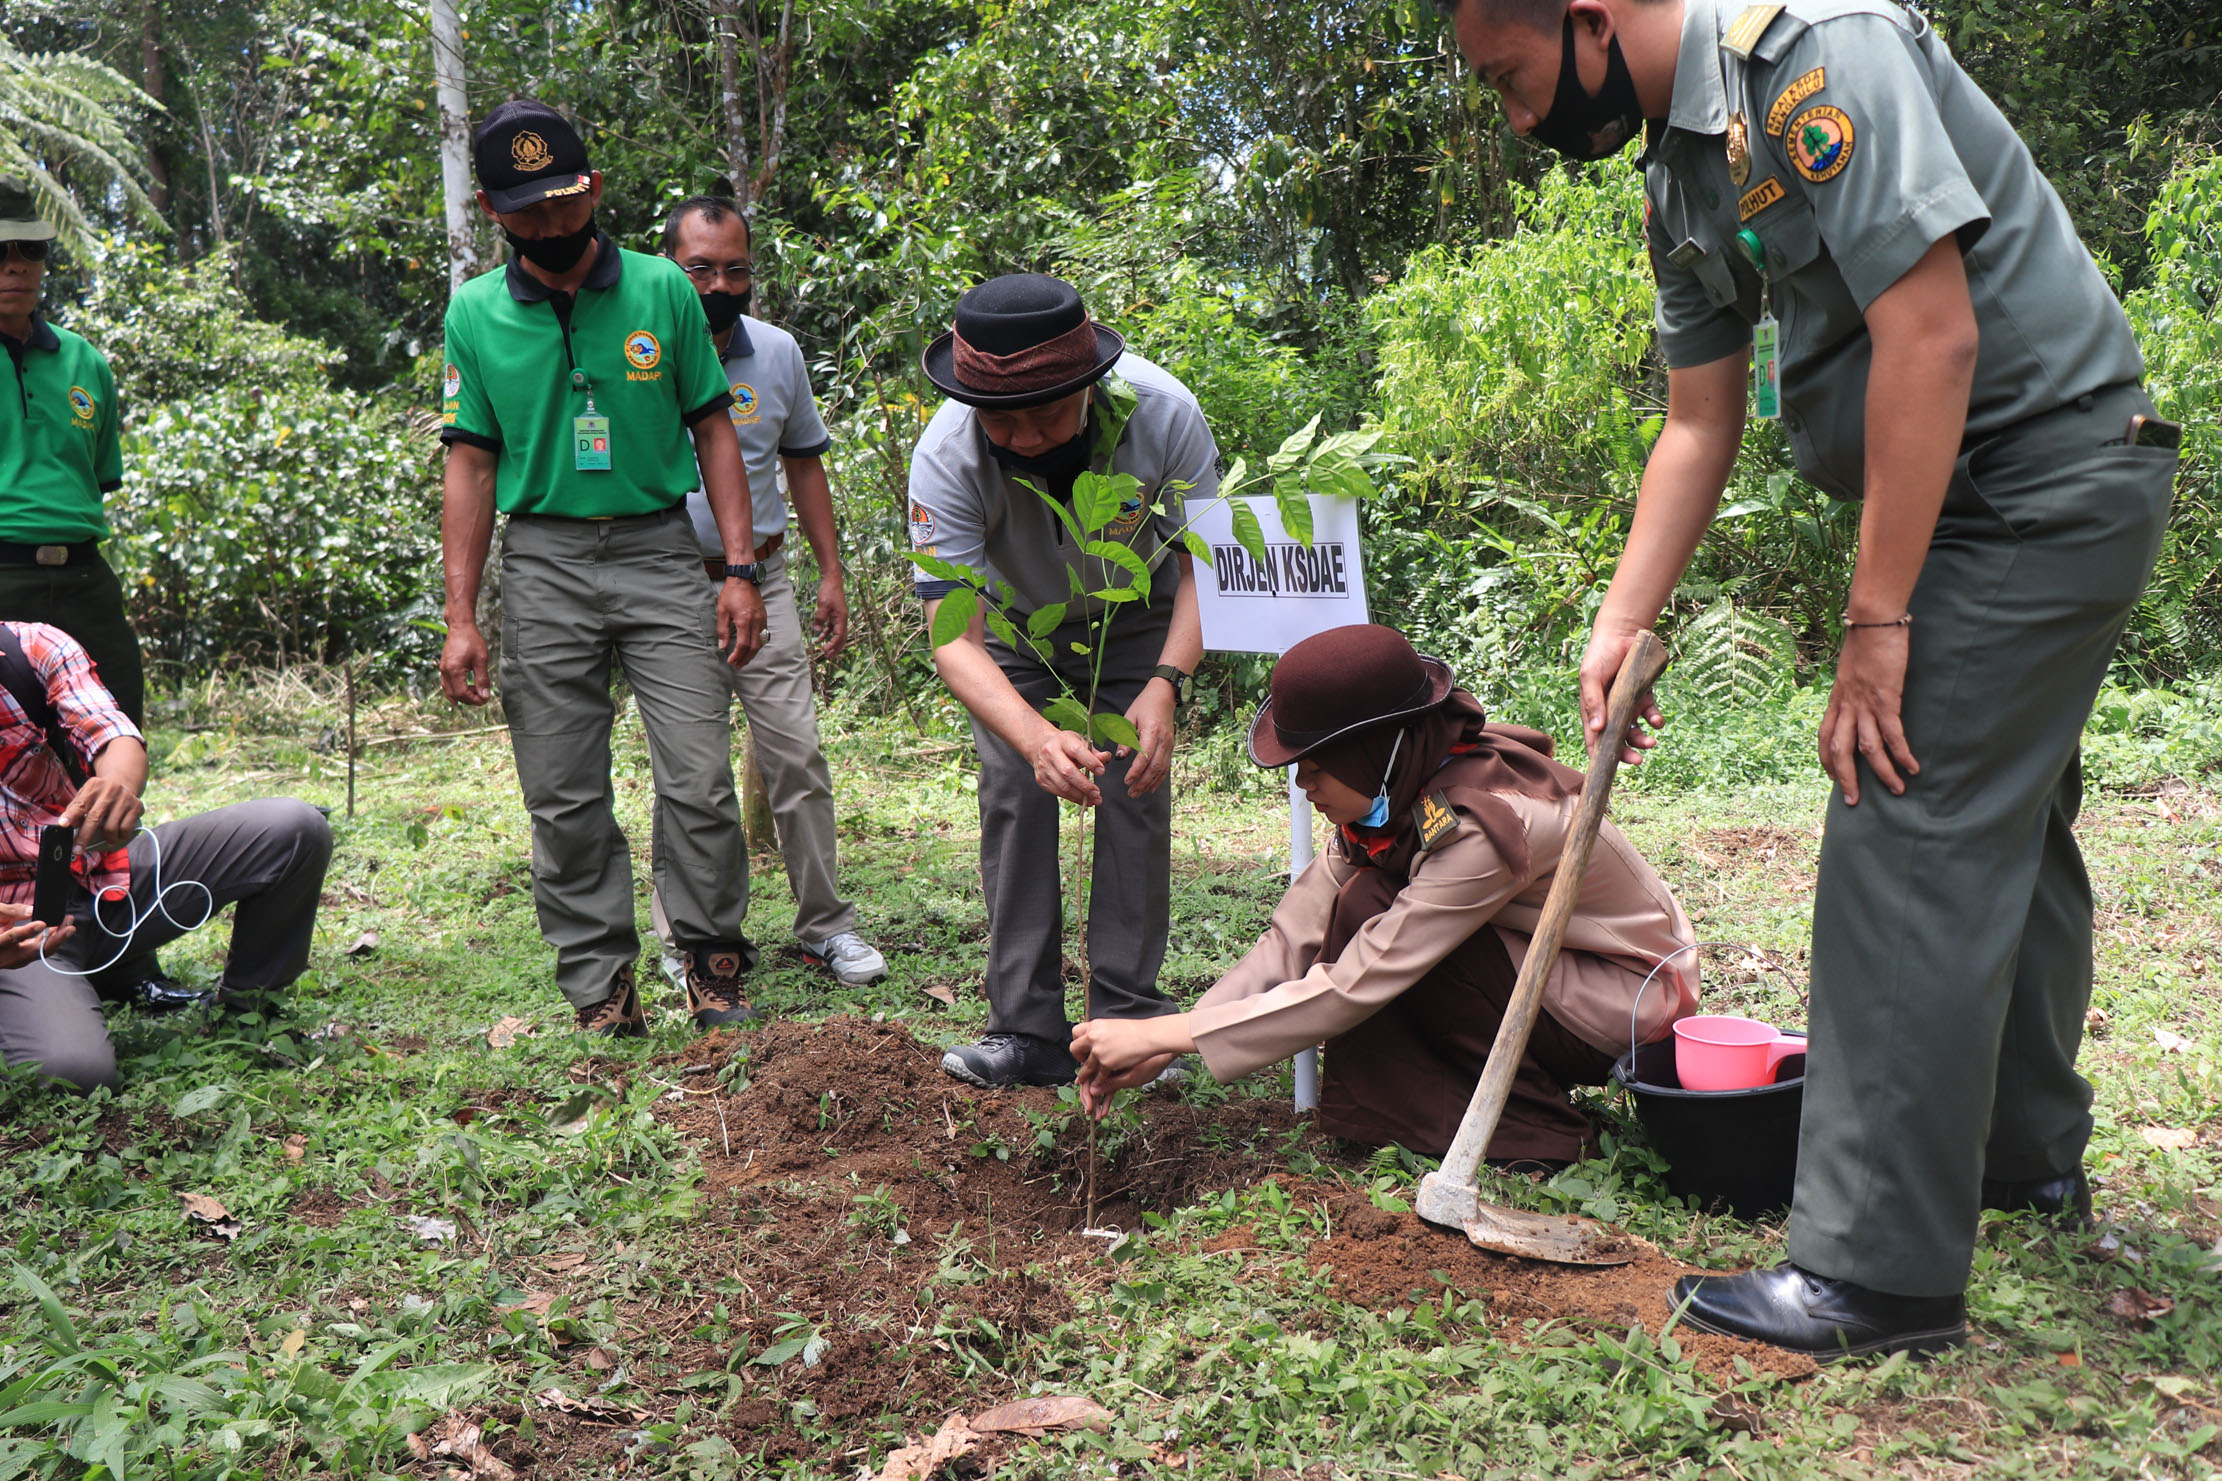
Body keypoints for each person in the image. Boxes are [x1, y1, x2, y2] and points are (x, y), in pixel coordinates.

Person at [1441, 0, 2178, 1356]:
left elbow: (1934, 335)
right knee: (2004, 820)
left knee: (1900, 813)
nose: (1519, 119)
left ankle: (1873, 1271)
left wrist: (1874, 622)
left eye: (1510, 79)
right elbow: (1696, 416)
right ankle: (2020, 1162)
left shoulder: (1811, 55)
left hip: (2029, 484)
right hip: (2008, 491)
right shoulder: (1679, 165)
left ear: (1586, 20)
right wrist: (1618, 620)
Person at [1071, 625, 1698, 1162]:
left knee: (1379, 916)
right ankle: (1426, 1112)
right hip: (1536, 969)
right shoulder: (1391, 800)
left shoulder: (1479, 823)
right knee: (1366, 899)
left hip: (1623, 1004)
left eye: (1316, 765)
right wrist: (1174, 1034)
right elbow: (1293, 936)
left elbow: (1357, 981)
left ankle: (1531, 1129)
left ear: (1377, 751)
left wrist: (1170, 1035)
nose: (1303, 783)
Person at [437, 100, 767, 1036]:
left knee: (699, 775)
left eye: (564, 199)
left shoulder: (665, 289)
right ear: (497, 211)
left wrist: (736, 567)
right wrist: (462, 615)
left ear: (595, 189)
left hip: (662, 550)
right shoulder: (475, 313)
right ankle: (599, 983)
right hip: (541, 560)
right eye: (526, 208)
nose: (549, 224)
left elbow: (713, 424)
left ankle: (711, 961)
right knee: (563, 789)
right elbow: (470, 460)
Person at [910, 274, 1207, 1088]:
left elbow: (1204, 575)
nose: (1029, 437)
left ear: (1089, 387)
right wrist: (1038, 735)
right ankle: (1026, 1029)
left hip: (1135, 615)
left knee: (1133, 787)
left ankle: (1129, 1022)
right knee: (1015, 783)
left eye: (1046, 416)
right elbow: (954, 638)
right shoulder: (945, 452)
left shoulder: (1165, 414)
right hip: (1012, 632)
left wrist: (1166, 685)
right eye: (1004, 422)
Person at [651, 195, 885, 989]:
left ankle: (826, 926)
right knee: (687, 769)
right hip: (671, 586)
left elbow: (803, 464)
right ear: (667, 270)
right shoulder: (636, 351)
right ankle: (682, 937)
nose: (720, 283)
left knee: (797, 754)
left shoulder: (779, 352)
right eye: (701, 269)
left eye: (736, 268)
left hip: (769, 582)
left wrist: (831, 572)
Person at [0, 177, 191, 1015]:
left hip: (82, 572)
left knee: (110, 755)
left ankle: (120, 956)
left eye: (30, 251)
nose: (15, 267)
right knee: (20, 773)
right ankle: (30, 951)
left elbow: (95, 480)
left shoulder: (84, 364)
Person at [0, 622, 331, 1092]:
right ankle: (51, 1001)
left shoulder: (28, 647)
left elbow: (112, 735)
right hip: (18, 937)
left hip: (105, 879)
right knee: (74, 1074)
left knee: (293, 830)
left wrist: (118, 785)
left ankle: (250, 1013)